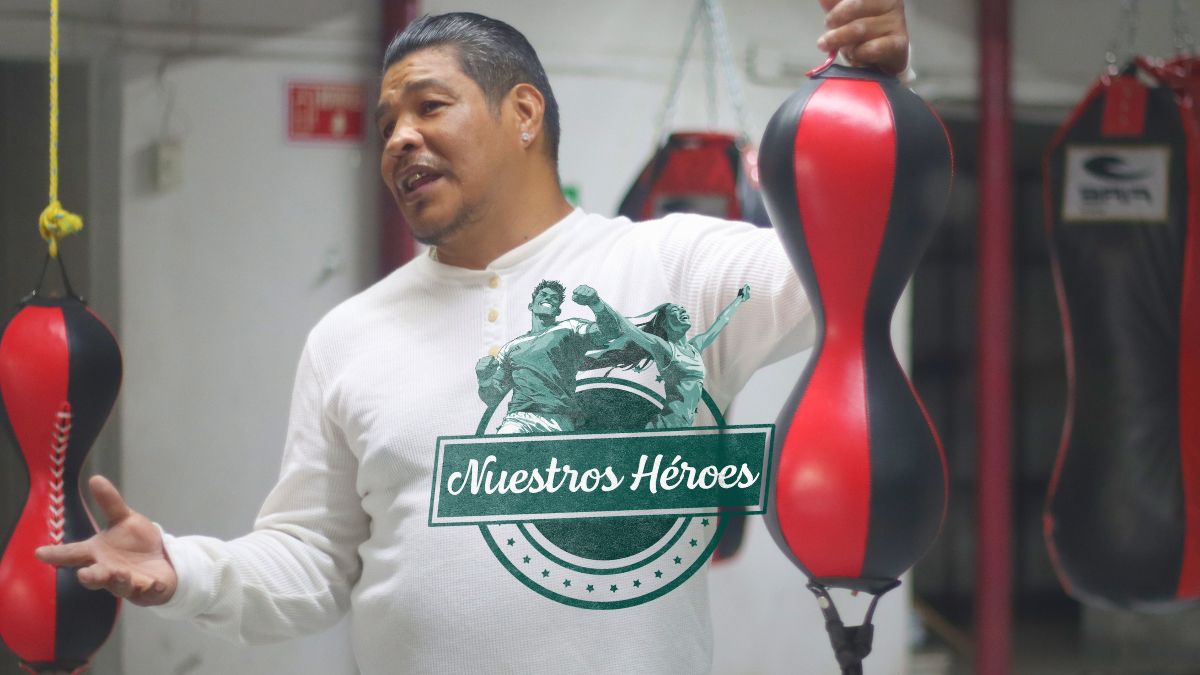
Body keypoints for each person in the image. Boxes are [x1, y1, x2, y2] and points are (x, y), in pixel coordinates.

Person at [35, 3, 911, 673]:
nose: (400, 139)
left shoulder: (671, 264)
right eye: (386, 125)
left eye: (429, 106)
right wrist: (184, 567)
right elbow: (312, 559)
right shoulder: (350, 336)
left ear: (524, 112)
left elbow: (851, 263)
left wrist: (878, 102)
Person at [586, 285, 752, 429]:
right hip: (665, 427)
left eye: (682, 308)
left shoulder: (695, 347)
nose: (682, 310)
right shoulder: (663, 348)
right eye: (675, 311)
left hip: (683, 426)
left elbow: (722, 321)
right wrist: (596, 302)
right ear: (665, 324)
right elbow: (629, 329)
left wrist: (739, 299)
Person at [476, 280, 618, 433]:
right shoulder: (510, 348)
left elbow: (610, 331)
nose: (549, 298)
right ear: (531, 306)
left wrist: (595, 302)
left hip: (559, 418)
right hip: (518, 419)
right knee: (505, 450)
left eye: (554, 297)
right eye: (543, 295)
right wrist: (484, 380)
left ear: (558, 311)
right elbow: (492, 398)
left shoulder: (570, 328)